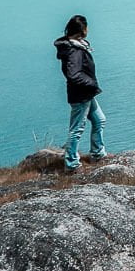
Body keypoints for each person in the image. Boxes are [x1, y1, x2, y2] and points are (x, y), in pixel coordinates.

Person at [54, 15, 107, 170]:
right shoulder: (74, 50)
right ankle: (71, 164)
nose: (88, 29)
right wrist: (91, 83)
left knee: (100, 120)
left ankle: (98, 154)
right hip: (81, 94)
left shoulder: (76, 46)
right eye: (86, 26)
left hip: (86, 93)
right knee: (77, 129)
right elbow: (73, 74)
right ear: (82, 30)